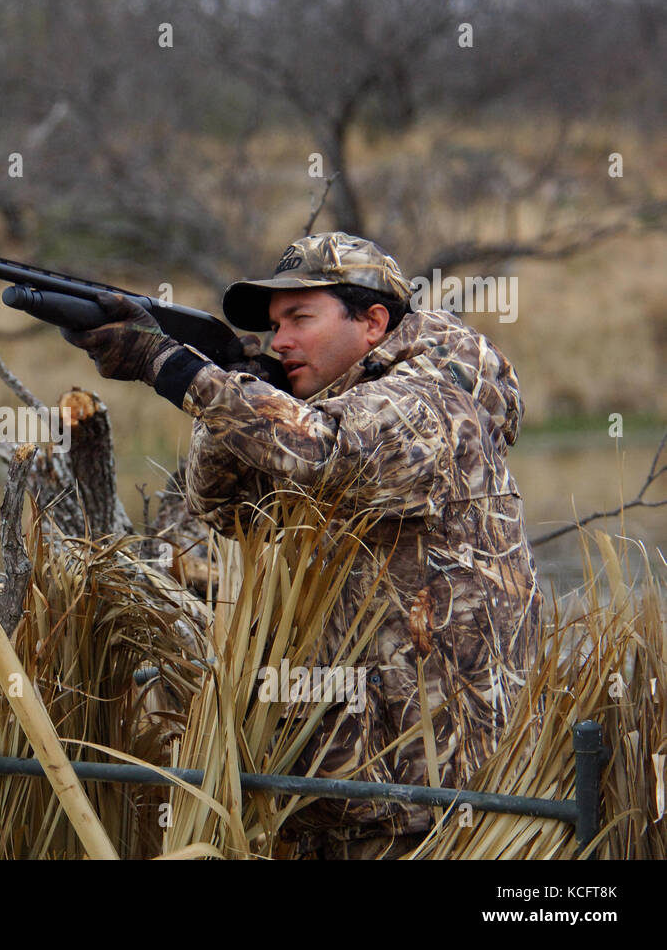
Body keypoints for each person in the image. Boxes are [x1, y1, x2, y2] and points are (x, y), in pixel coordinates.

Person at [63, 231, 542, 858]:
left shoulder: (433, 404)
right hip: (343, 780)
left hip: (439, 800)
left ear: (372, 322)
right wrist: (243, 383)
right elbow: (225, 506)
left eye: (299, 319)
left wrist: (171, 367)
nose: (280, 340)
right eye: (273, 326)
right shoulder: (321, 406)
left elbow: (325, 451)